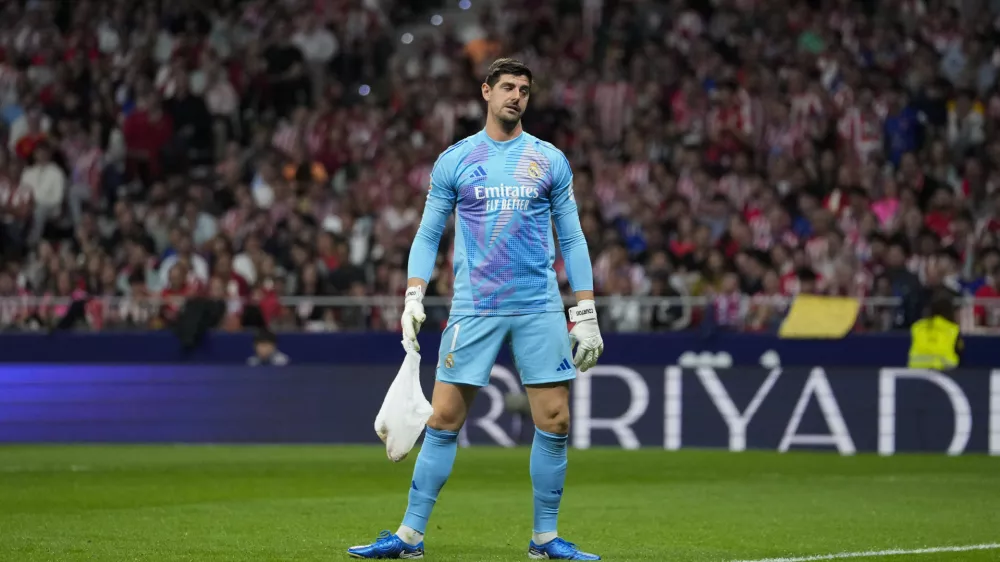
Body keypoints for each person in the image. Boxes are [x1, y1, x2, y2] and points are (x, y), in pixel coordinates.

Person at [347, 58, 604, 560]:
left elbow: (572, 237)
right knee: (443, 420)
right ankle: (409, 536)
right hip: (475, 306)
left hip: (539, 307)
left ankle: (545, 538)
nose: (516, 96)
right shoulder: (456, 159)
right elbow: (427, 233)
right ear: (486, 91)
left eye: (524, 89)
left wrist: (587, 310)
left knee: (554, 420)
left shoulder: (549, 160)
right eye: (507, 87)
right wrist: (414, 293)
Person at [907, 289, 962, 371]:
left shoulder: (917, 327)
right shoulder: (953, 329)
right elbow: (960, 351)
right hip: (945, 372)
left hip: (916, 371)